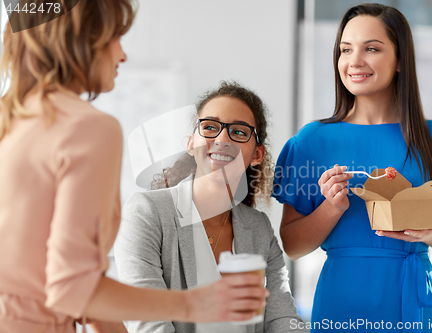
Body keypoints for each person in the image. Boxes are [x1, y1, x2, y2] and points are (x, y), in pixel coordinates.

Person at [0, 1, 267, 333]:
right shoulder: (88, 128)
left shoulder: (10, 119)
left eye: (239, 132)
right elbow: (72, 289)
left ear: (258, 153)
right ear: (80, 40)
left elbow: (73, 294)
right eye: (115, 37)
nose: (121, 54)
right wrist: (196, 303)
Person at [272, 3, 432, 333]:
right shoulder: (312, 142)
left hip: (414, 304)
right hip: (341, 304)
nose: (354, 61)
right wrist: (332, 207)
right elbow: (293, 247)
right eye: (345, 49)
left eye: (371, 48)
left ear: (400, 60)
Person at [114, 81, 308, 333]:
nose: (222, 138)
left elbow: (282, 317)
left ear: (257, 154)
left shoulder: (258, 227)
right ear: (191, 143)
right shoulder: (146, 212)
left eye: (239, 132)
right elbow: (148, 320)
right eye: (209, 127)